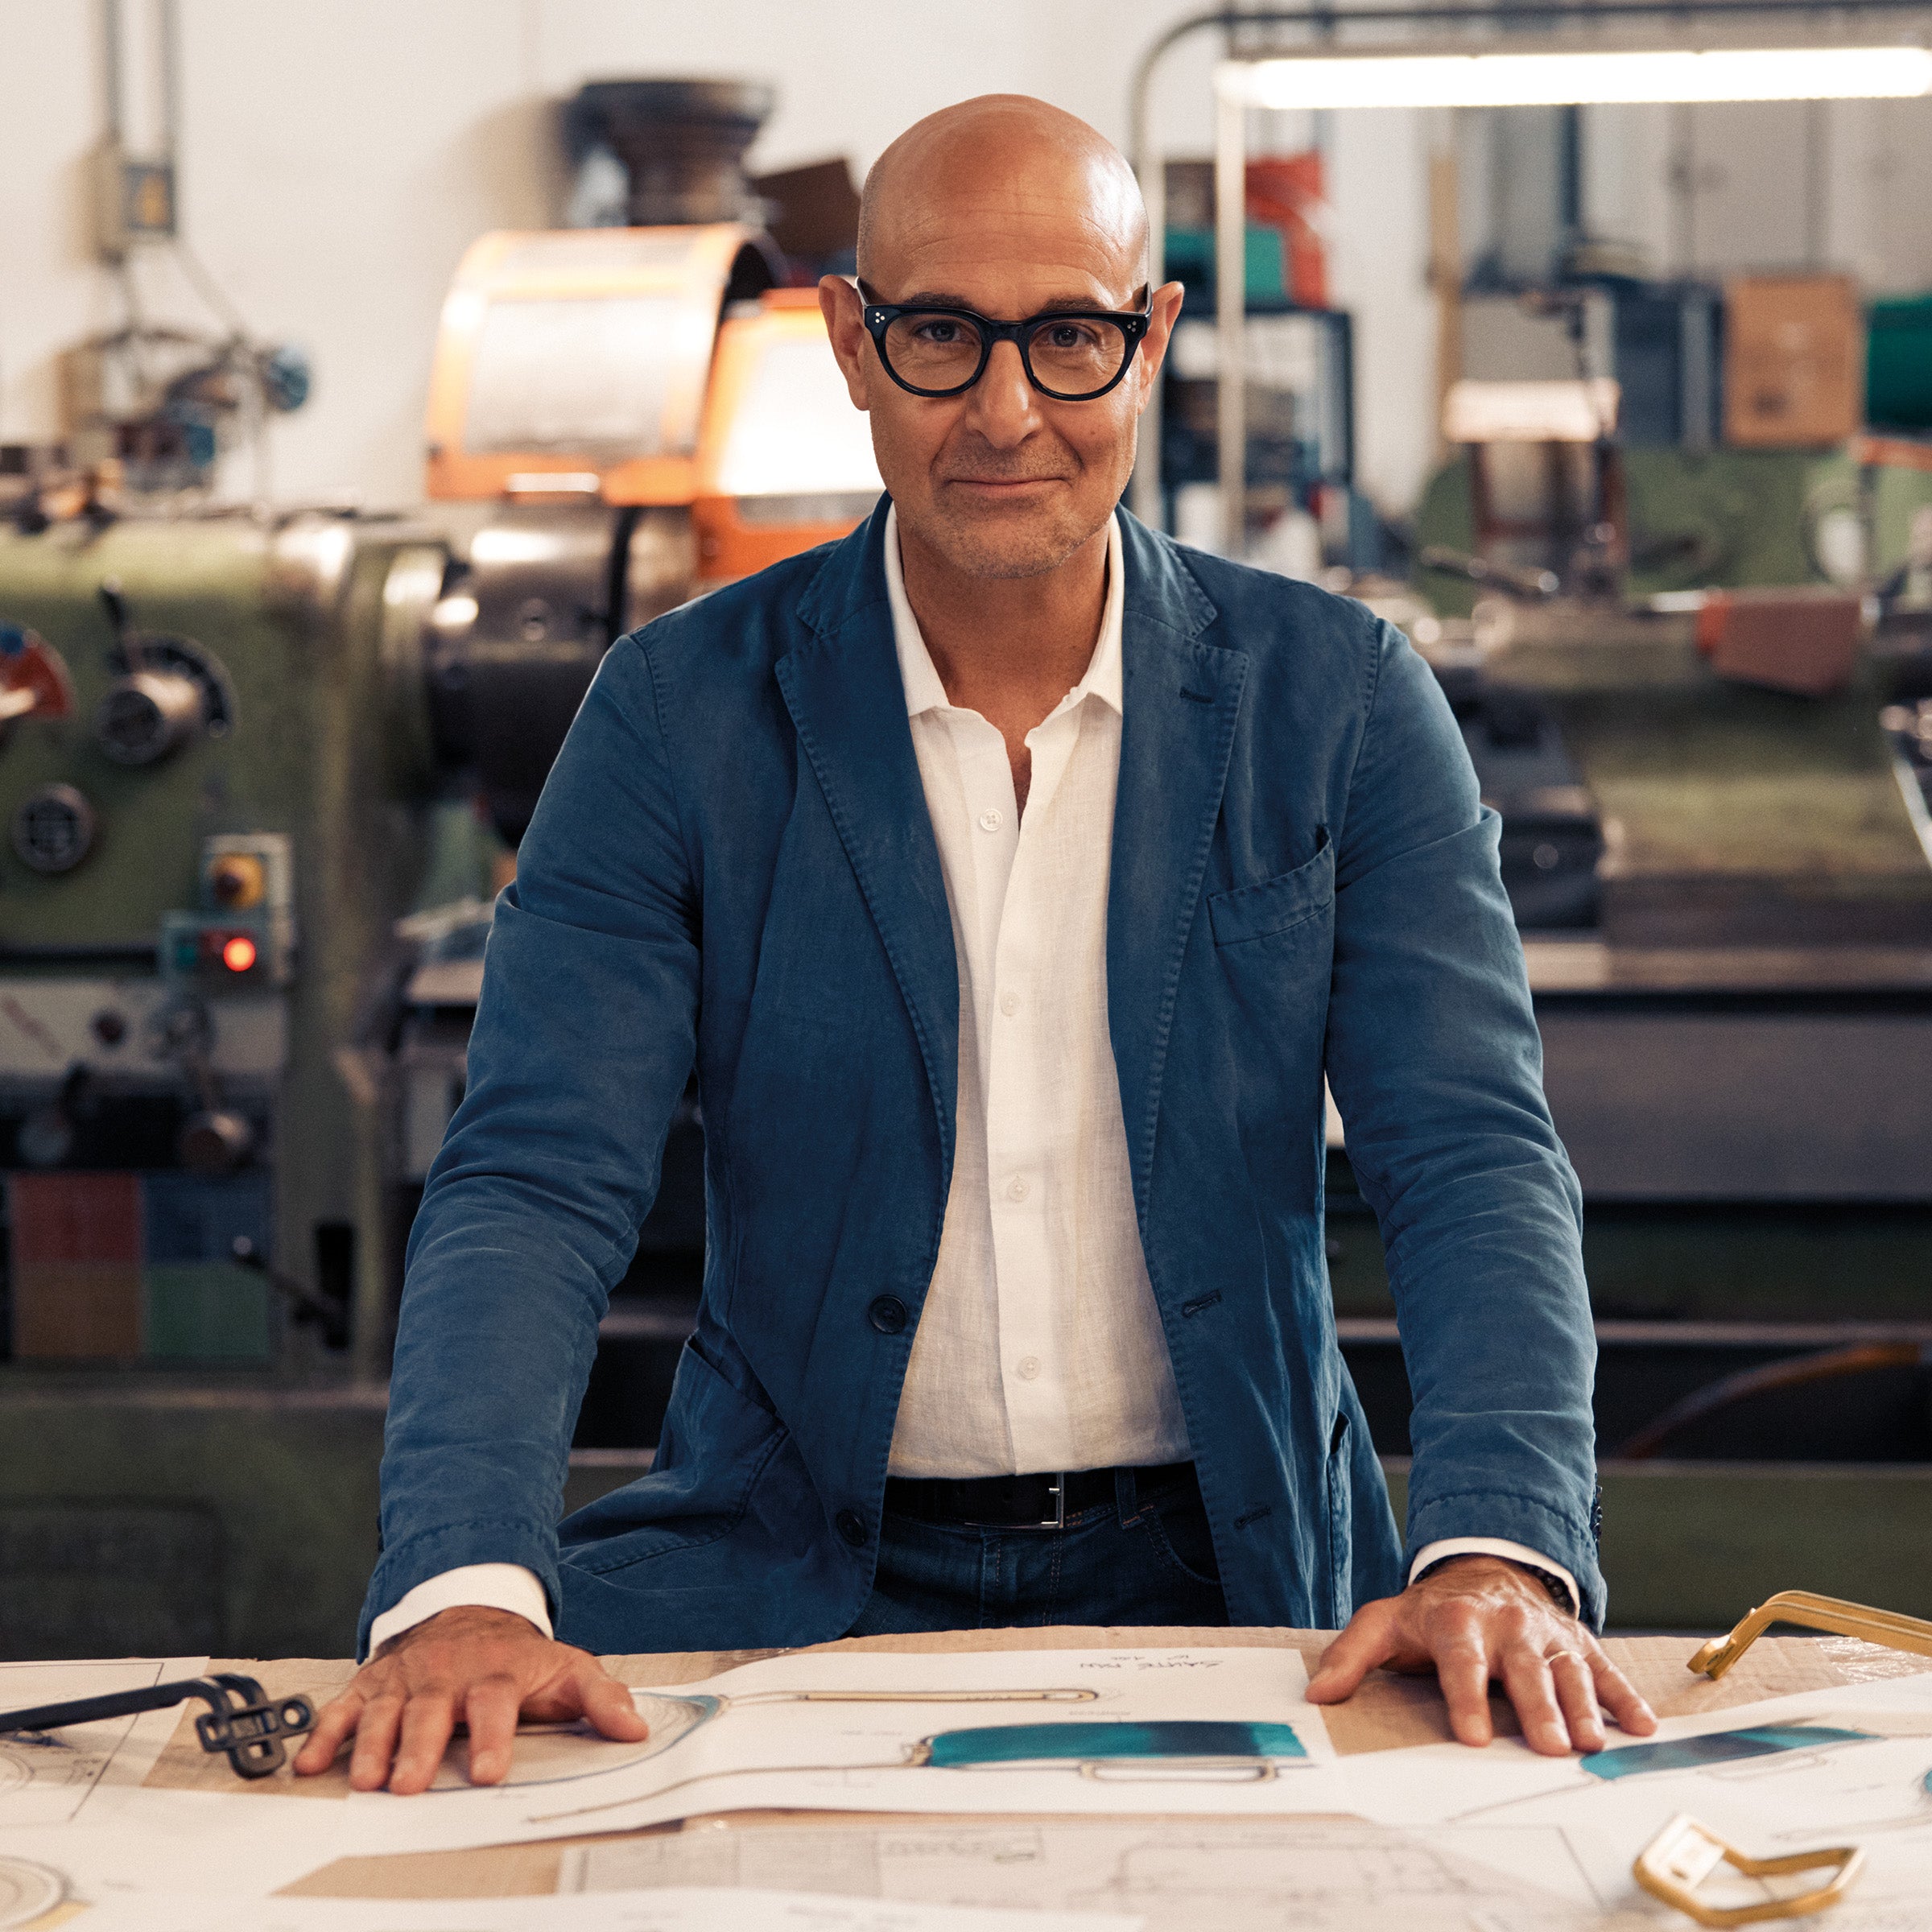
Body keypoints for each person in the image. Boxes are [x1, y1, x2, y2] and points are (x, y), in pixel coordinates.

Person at [297, 94, 1656, 1795]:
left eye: (1069, 336)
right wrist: (466, 1584)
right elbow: (537, 1173)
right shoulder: (676, 717)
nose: (1007, 411)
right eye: (942, 335)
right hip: (780, 1571)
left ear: (1148, 342)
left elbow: (1467, 1154)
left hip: (1232, 1576)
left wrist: (1501, 1551)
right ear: (852, 345)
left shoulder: (1340, 705)